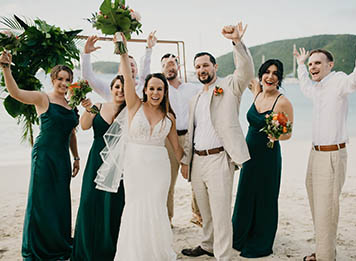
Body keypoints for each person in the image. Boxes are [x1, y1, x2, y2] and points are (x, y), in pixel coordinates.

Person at [96, 33, 183, 260]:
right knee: (135, 207)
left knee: (156, 208)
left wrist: (189, 164)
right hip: (136, 166)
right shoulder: (134, 105)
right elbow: (126, 74)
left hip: (159, 168)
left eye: (159, 89)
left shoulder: (169, 118)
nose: (155, 93)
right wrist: (122, 49)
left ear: (165, 92)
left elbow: (176, 148)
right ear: (144, 89)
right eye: (152, 88)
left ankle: (157, 253)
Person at [180, 22, 254, 260]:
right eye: (198, 67)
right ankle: (208, 245)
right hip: (198, 161)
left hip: (220, 158)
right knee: (206, 211)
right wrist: (186, 160)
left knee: (221, 212)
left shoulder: (230, 85)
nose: (202, 69)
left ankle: (223, 256)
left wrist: (236, 42)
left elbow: (246, 70)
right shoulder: (195, 98)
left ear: (215, 66)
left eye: (205, 65)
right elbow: (192, 133)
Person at [294, 30, 356, 261]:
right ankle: (324, 251)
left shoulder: (338, 82)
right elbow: (304, 85)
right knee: (316, 205)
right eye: (311, 64)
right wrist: (300, 65)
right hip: (315, 154)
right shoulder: (316, 88)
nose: (313, 67)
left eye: (318, 63)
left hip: (332, 155)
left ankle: (326, 257)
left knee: (327, 209)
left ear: (330, 65)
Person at [0, 51, 80, 260]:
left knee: (60, 201)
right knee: (41, 200)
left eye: (68, 80)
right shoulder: (42, 98)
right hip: (44, 155)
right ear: (53, 80)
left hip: (63, 158)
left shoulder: (71, 105)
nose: (63, 83)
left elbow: (72, 133)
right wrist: (6, 68)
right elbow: (16, 92)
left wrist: (77, 157)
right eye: (60, 79)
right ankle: (38, 246)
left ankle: (58, 243)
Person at [232, 60, 294, 258]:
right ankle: (239, 236)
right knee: (246, 194)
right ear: (261, 75)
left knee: (266, 197)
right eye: (267, 72)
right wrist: (236, 41)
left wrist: (277, 135)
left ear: (280, 77)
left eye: (276, 73)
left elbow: (288, 133)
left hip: (268, 156)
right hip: (248, 155)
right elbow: (243, 65)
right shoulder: (256, 93)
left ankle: (260, 240)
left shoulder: (282, 102)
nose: (270, 76)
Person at [71, 76, 126, 260]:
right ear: (111, 88)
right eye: (117, 86)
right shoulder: (99, 106)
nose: (120, 90)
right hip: (96, 161)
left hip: (120, 164)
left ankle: (111, 249)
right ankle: (88, 248)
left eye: (124, 87)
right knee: (90, 202)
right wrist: (88, 109)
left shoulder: (131, 110)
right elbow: (85, 126)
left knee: (113, 205)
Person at [160, 52, 203, 227]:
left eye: (172, 63)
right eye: (165, 64)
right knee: (168, 180)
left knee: (197, 178)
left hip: (191, 136)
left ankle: (198, 214)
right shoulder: (161, 89)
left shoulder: (192, 88)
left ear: (178, 66)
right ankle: (167, 218)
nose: (170, 67)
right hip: (168, 138)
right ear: (162, 68)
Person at [81, 34, 153, 101]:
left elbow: (145, 72)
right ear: (119, 70)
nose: (128, 68)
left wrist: (149, 48)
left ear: (137, 70)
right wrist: (86, 54)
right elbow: (89, 78)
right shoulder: (110, 89)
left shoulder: (142, 87)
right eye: (126, 65)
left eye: (131, 65)